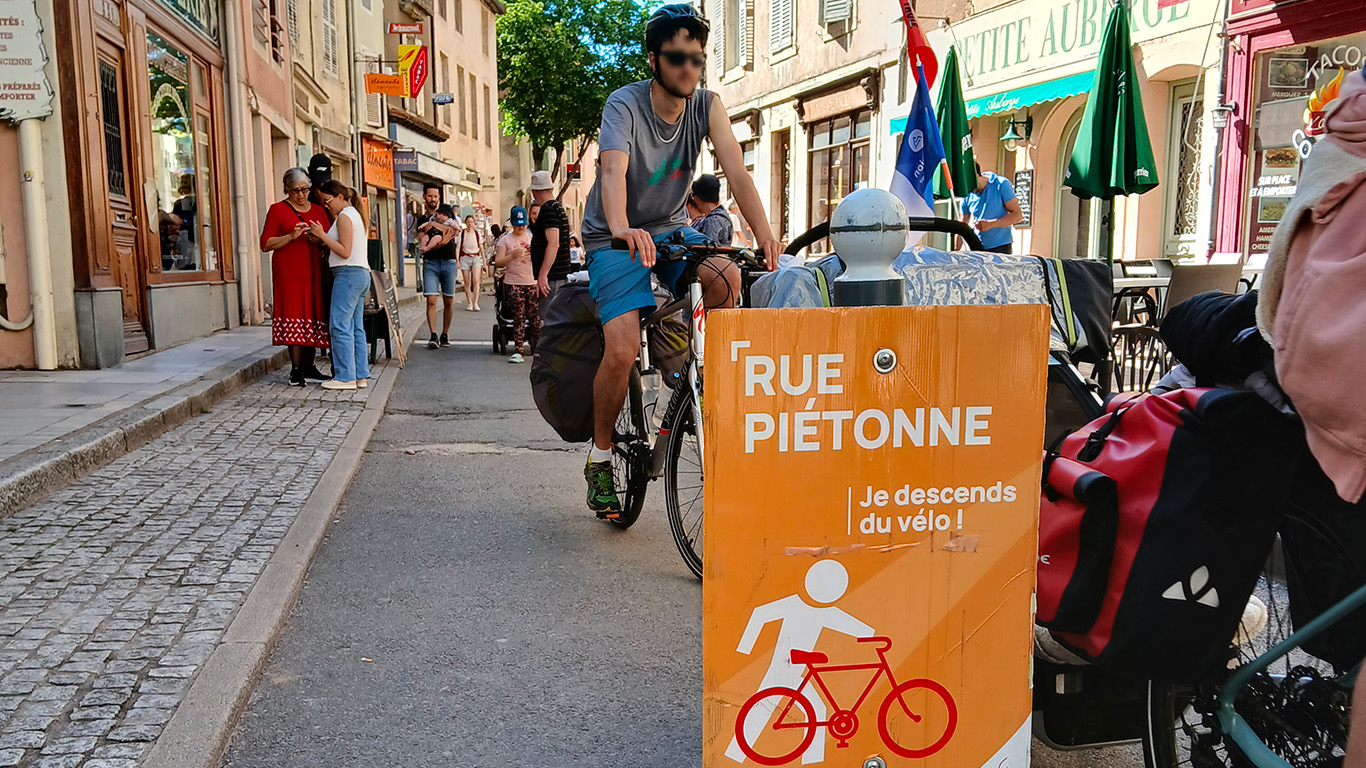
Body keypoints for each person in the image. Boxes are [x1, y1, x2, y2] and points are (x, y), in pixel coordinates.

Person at [580, 4, 781, 517]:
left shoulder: (707, 106)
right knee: (622, 351)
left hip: (670, 227)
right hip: (613, 234)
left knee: (725, 275)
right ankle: (600, 458)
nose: (689, 68)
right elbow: (610, 173)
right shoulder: (623, 105)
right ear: (654, 59)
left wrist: (767, 237)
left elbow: (737, 171)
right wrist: (623, 229)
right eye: (677, 58)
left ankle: (696, 373)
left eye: (697, 58)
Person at [260, 167, 332, 387]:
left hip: (313, 272)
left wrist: (317, 239)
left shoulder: (319, 211)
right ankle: (296, 369)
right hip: (289, 273)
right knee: (294, 317)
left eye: (304, 189)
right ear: (286, 189)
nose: (301, 195)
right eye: (295, 191)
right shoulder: (277, 210)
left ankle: (309, 367)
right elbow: (266, 243)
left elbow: (329, 239)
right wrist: (291, 237)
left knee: (311, 316)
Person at [307, 180, 371, 391]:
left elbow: (345, 251)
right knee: (356, 328)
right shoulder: (356, 215)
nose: (326, 205)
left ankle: (345, 377)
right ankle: (360, 375)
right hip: (359, 273)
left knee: (340, 325)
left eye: (328, 201)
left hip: (347, 274)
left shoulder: (344, 216)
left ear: (340, 197)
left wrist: (322, 235)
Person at [417, 184, 460, 349]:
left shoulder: (449, 216)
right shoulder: (422, 220)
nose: (432, 199)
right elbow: (424, 240)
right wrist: (441, 241)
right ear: (424, 197)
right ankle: (433, 335)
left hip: (448, 262)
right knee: (431, 300)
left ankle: (445, 334)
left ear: (439, 198)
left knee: (449, 300)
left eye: (435, 196)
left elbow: (454, 232)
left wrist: (435, 227)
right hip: (430, 263)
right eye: (430, 196)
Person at [494, 206, 538, 364]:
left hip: (532, 282)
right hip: (513, 283)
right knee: (519, 316)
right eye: (518, 223)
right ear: (512, 223)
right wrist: (512, 256)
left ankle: (538, 348)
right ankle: (518, 349)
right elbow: (498, 262)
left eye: (523, 224)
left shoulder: (532, 238)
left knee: (535, 316)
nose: (521, 227)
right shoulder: (504, 240)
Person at [528, 170, 573, 313]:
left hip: (553, 278)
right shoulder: (558, 208)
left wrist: (543, 275)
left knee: (550, 321)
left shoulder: (548, 210)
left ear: (534, 191)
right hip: (558, 275)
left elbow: (553, 243)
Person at [960, 159, 1024, 254]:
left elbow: (1017, 215)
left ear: (975, 176)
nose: (965, 186)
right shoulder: (967, 193)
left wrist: (991, 224)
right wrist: (956, 250)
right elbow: (962, 224)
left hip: (1000, 247)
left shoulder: (1001, 184)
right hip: (975, 247)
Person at [687, 174, 733, 245]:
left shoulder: (712, 221)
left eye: (693, 195)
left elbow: (709, 251)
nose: (694, 199)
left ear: (700, 197)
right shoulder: (723, 215)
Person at [459, 214, 485, 311]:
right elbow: (458, 247)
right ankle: (469, 302)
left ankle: (476, 302)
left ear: (474, 223)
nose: (470, 224)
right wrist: (457, 260)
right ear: (466, 223)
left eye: (471, 222)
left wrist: (484, 262)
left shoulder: (477, 234)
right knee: (467, 282)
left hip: (476, 257)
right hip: (465, 257)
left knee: (476, 280)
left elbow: (481, 248)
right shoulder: (462, 234)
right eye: (468, 222)